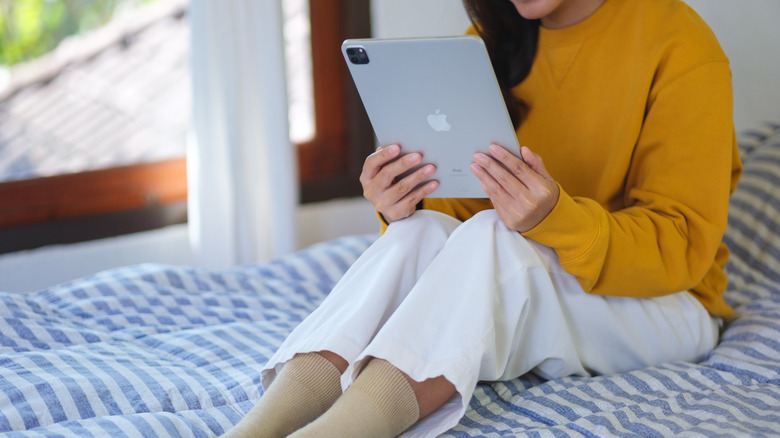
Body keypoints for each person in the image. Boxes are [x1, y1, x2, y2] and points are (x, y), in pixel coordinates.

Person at [223, 0, 742, 436]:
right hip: (546, 279)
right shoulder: (490, 39)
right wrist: (407, 201)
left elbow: (682, 248)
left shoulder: (679, 43)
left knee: (495, 236)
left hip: (669, 304)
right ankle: (259, 427)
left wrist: (554, 219)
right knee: (423, 232)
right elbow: (461, 218)